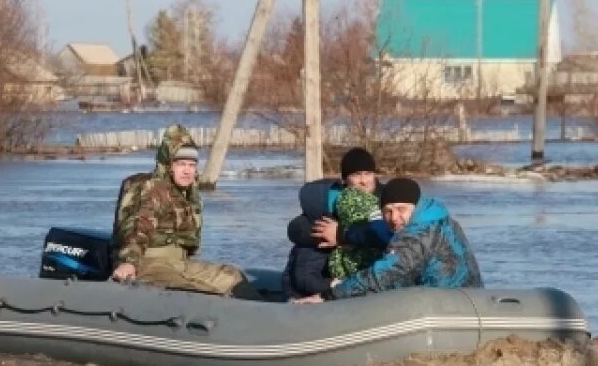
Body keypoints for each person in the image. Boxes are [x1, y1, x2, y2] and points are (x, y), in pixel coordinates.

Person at [111, 124, 259, 299]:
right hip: (148, 263)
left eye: (192, 164)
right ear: (168, 165)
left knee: (233, 276)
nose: (187, 170)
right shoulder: (153, 189)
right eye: (181, 164)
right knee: (198, 290)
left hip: (178, 262)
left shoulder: (187, 193)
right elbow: (138, 228)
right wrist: (129, 263)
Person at [294, 177, 482, 302]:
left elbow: (382, 276)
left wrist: (328, 295)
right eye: (387, 211)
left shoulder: (416, 237)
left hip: (447, 306)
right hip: (469, 298)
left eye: (401, 209)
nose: (393, 217)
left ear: (414, 207)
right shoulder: (439, 218)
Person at [281, 147, 390, 299]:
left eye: (368, 174)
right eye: (357, 175)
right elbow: (298, 233)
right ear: (345, 179)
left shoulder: (389, 202)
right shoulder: (327, 209)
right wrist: (330, 285)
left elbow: (397, 232)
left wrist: (342, 235)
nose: (364, 181)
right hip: (326, 283)